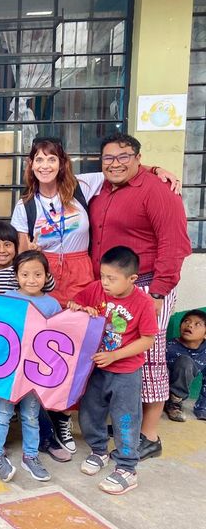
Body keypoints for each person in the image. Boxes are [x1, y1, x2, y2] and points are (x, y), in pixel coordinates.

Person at [11, 136, 179, 454]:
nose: (45, 165)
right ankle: (58, 419)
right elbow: (23, 256)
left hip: (84, 276)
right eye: (39, 160)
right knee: (51, 351)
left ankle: (85, 416)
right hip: (47, 279)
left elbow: (125, 168)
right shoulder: (25, 206)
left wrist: (158, 168)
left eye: (52, 159)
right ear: (30, 165)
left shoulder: (84, 186)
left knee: (85, 350)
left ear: (62, 163)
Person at [88, 133, 191, 460]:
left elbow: (174, 245)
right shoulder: (100, 187)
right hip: (112, 288)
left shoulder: (159, 191)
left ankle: (149, 435)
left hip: (147, 287)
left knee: (150, 357)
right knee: (120, 354)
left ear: (137, 157)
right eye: (108, 158)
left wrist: (159, 291)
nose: (115, 163)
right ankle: (126, 425)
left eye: (123, 157)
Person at [69, 246, 158, 495]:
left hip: (126, 371)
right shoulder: (96, 289)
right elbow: (75, 303)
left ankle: (128, 468)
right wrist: (79, 308)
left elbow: (148, 339)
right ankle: (99, 451)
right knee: (89, 412)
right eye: (102, 276)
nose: (105, 283)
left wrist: (115, 355)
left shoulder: (143, 302)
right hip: (96, 368)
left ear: (132, 279)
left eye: (112, 278)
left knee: (125, 418)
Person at [0, 250, 61, 483]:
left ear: (46, 275)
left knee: (31, 415)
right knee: (2, 413)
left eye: (38, 274)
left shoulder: (52, 304)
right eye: (25, 274)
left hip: (34, 371)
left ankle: (30, 456)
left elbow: (61, 334)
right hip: (8, 371)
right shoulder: (6, 299)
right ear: (16, 275)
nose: (31, 279)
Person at [165, 309, 206, 422]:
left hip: (179, 393)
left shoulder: (205, 351)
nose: (190, 325)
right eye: (186, 321)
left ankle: (176, 402)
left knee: (186, 362)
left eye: (197, 324)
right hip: (160, 389)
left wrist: (203, 409)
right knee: (184, 361)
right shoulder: (169, 346)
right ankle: (170, 403)